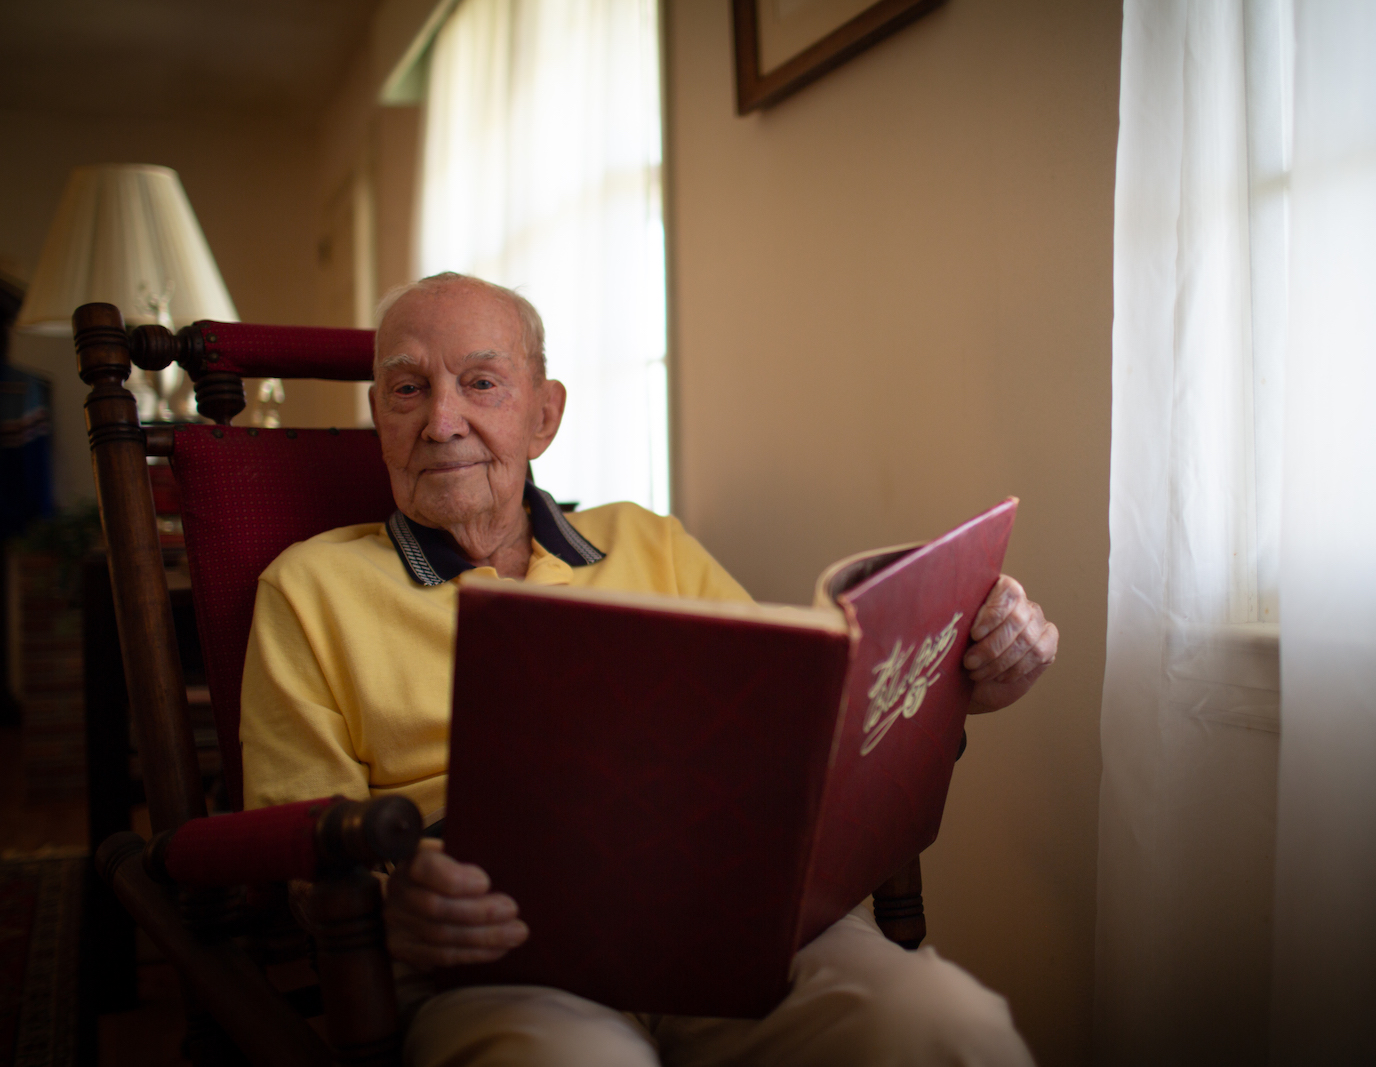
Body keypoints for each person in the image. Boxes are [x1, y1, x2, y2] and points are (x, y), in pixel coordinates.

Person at [240, 272, 1060, 1066]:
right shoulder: (309, 587)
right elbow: (298, 844)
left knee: (950, 1027)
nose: (442, 420)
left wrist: (965, 673)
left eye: (482, 383)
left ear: (544, 415)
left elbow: (804, 718)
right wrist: (392, 907)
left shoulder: (647, 540)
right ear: (378, 414)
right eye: (409, 389)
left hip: (728, 919)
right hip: (498, 956)